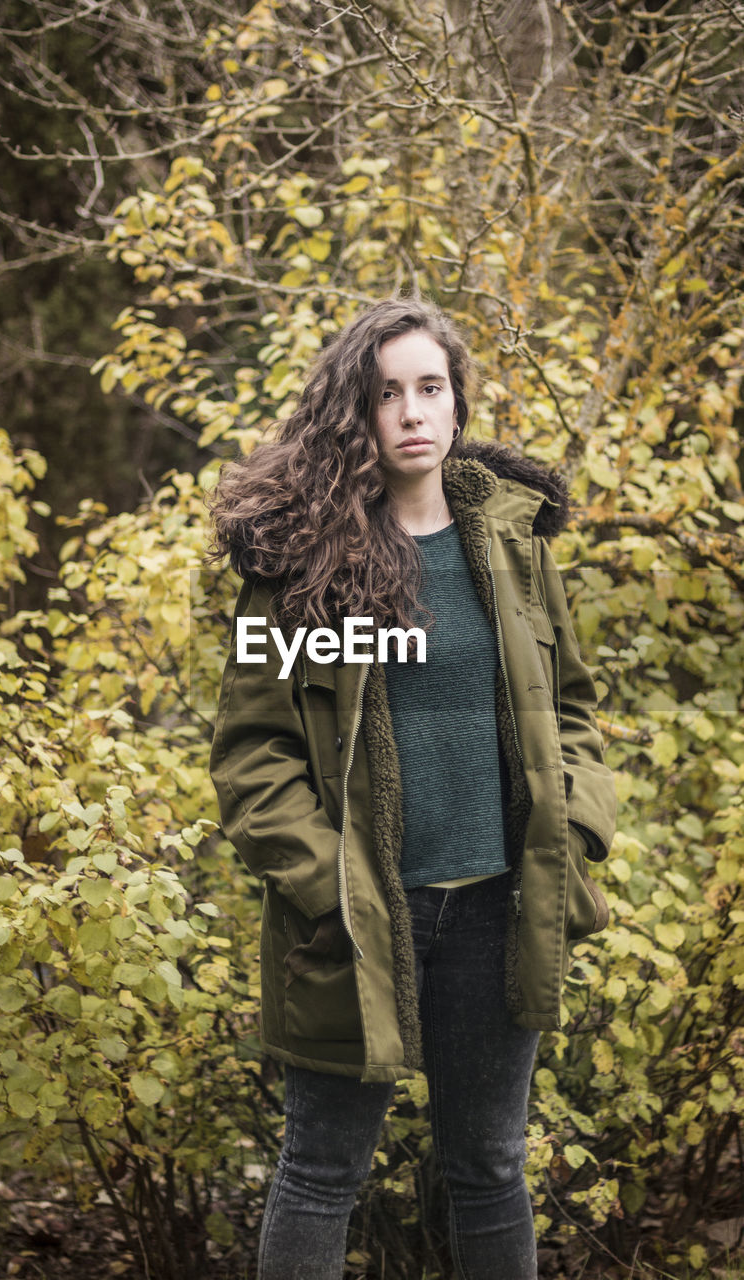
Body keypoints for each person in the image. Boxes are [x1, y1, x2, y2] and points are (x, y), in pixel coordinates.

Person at [208, 298, 617, 1280]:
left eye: (429, 387)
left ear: (455, 401)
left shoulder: (511, 547)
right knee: (319, 1170)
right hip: (354, 922)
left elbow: (571, 707)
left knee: (489, 1167)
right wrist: (328, 883)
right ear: (356, 411)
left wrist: (578, 820)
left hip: (495, 910)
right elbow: (252, 757)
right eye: (386, 392)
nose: (411, 411)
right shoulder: (298, 564)